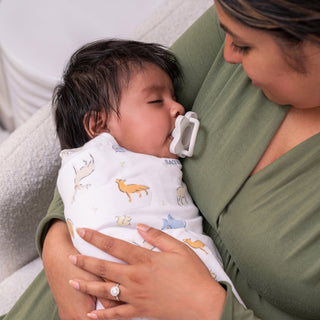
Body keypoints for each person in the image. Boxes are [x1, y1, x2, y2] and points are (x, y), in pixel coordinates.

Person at [2, 0, 319, 319]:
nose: (228, 56)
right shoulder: (246, 12)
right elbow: (109, 120)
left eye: (245, 46)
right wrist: (58, 246)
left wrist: (209, 308)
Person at [53, 39, 244, 310]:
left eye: (175, 98)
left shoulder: (166, 153)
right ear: (99, 127)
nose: (179, 109)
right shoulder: (96, 158)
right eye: (156, 101)